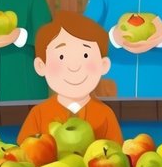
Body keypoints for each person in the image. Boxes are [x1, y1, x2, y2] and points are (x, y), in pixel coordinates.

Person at [19, 11, 123, 141]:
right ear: (41, 66)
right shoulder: (38, 114)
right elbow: (24, 152)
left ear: (104, 65)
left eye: (85, 55)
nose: (74, 66)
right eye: (61, 56)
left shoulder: (105, 115)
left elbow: (117, 152)